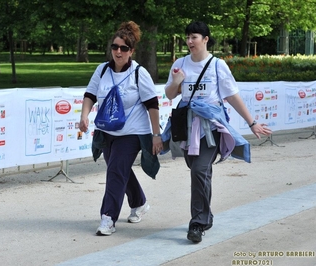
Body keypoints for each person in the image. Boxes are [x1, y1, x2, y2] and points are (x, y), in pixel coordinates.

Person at [164, 21, 272, 243]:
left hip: (211, 129)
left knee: (199, 171)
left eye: (194, 37)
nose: (189, 41)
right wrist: (176, 82)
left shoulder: (217, 65)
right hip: (186, 130)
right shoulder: (180, 63)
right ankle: (207, 215)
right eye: (187, 37)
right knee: (199, 171)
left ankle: (198, 223)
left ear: (205, 39)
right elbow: (170, 94)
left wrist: (252, 123)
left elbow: (232, 96)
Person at [79, 21, 163, 236]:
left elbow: (152, 104)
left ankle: (108, 218)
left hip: (133, 131)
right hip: (107, 130)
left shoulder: (139, 73)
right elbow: (90, 94)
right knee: (119, 169)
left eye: (123, 48)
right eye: (115, 47)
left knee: (116, 170)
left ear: (131, 51)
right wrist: (84, 116)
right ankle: (140, 203)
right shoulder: (103, 70)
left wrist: (155, 135)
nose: (118, 51)